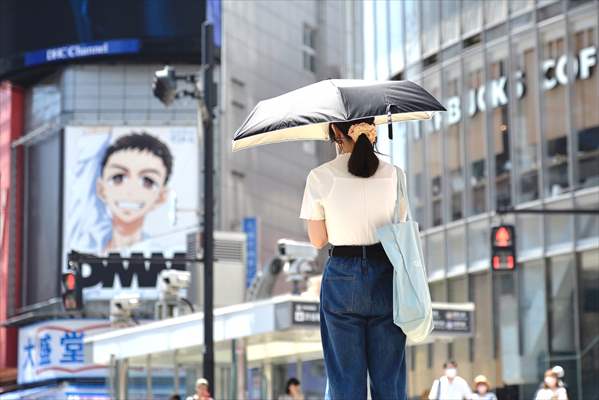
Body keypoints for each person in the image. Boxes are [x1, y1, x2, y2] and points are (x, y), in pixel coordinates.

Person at [300, 117, 410, 399]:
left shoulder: (320, 176)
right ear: (372, 129)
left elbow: (318, 239)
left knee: (344, 379)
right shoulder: (395, 174)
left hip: (342, 275)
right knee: (390, 379)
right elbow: (400, 224)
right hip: (387, 271)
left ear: (336, 132)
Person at [96, 132, 173, 252]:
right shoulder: (86, 242)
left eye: (148, 182)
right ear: (101, 189)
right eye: (118, 178)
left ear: (161, 197)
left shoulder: (161, 253)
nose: (130, 191)